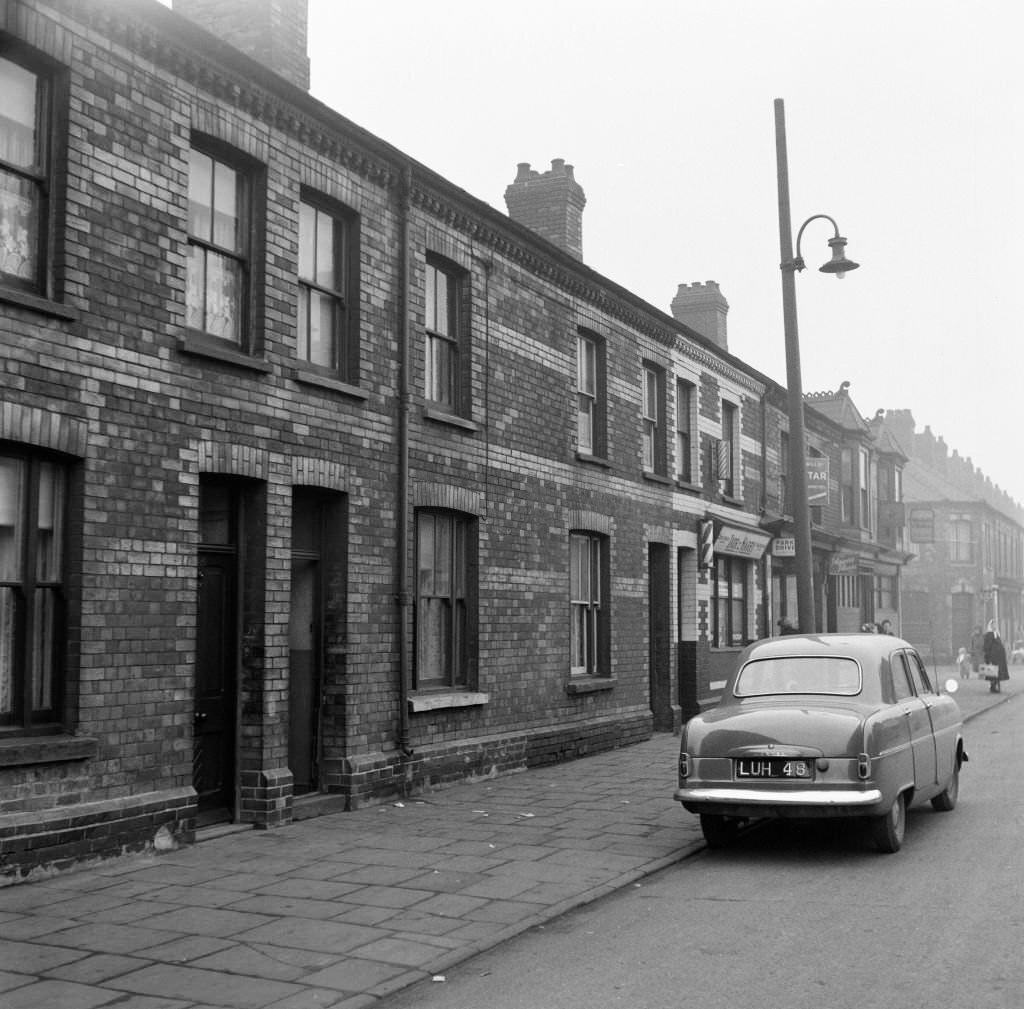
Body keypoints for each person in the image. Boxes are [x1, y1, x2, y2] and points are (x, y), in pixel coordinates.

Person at [983, 618, 1010, 693]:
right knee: (993, 673)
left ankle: (997, 686)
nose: (994, 626)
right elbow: (987, 646)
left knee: (998, 673)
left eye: (995, 624)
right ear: (990, 625)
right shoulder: (988, 634)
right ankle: (993, 687)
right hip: (993, 657)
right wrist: (988, 657)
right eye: (993, 624)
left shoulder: (997, 633)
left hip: (999, 658)